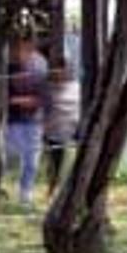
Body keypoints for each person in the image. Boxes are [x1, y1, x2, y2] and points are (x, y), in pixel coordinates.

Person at [4, 31, 48, 208]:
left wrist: (25, 101)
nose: (19, 51)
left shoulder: (40, 66)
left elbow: (44, 95)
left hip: (33, 120)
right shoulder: (7, 65)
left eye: (24, 47)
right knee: (12, 155)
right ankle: (6, 188)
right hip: (11, 120)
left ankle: (26, 194)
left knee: (31, 160)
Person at [42, 56, 80, 194]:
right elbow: (44, 110)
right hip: (54, 131)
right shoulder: (48, 88)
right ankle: (52, 188)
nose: (59, 73)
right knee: (54, 163)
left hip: (73, 129)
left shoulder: (76, 87)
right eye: (56, 71)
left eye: (62, 70)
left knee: (74, 162)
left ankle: (72, 188)